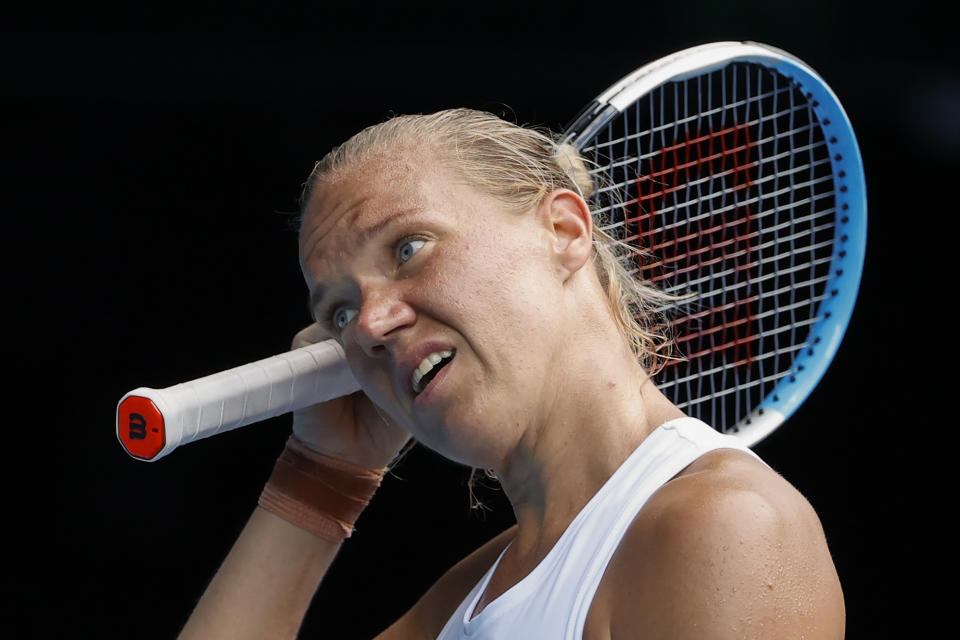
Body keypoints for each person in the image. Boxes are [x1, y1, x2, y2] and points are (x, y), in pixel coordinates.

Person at [179, 109, 845, 639]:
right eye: (341, 310)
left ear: (564, 228)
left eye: (408, 248)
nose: (371, 326)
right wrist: (321, 474)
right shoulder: (474, 596)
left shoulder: (724, 528)